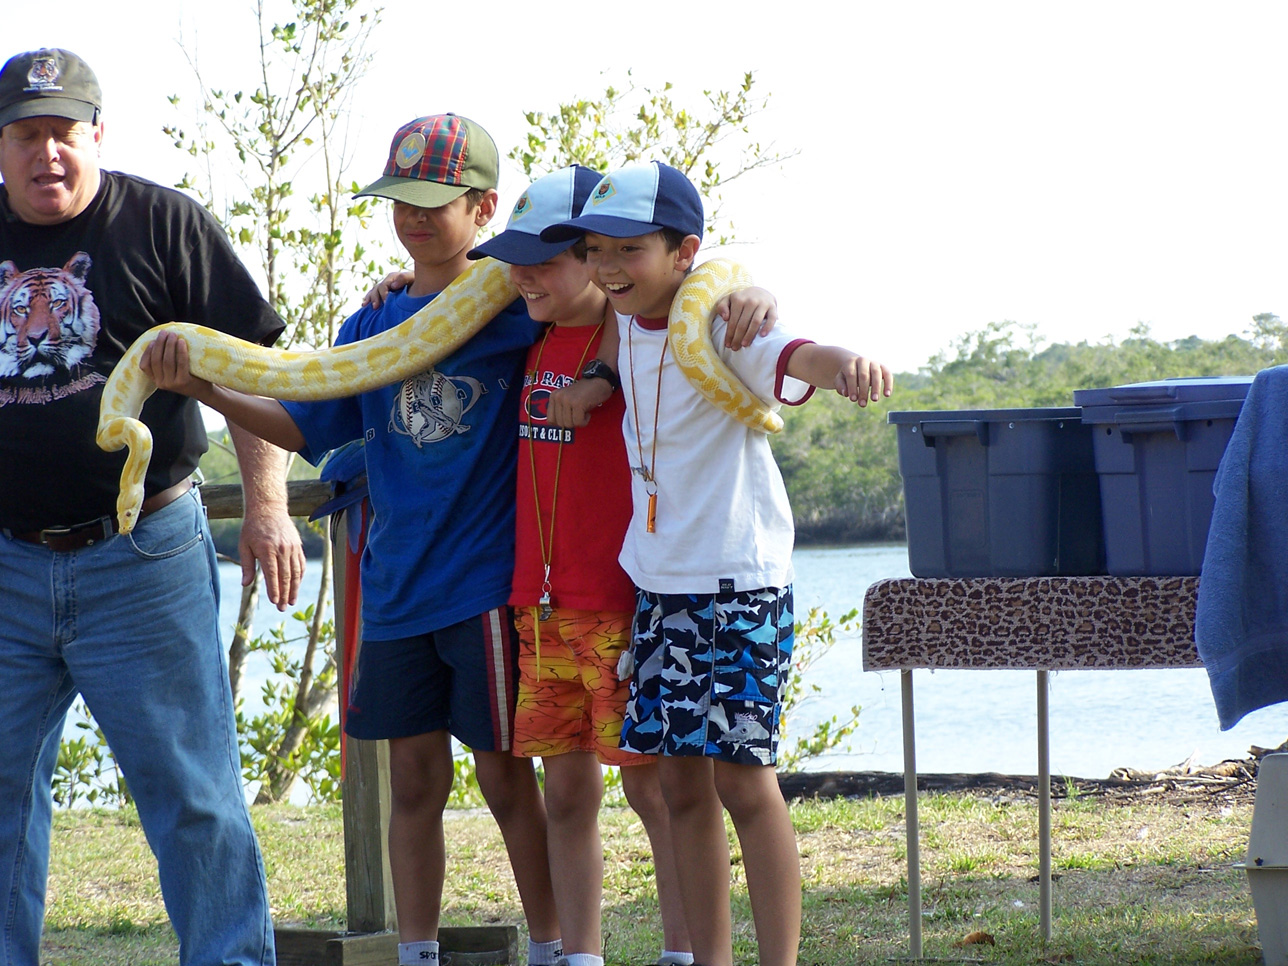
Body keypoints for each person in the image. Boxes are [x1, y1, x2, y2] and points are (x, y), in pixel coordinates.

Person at [140, 113, 564, 966]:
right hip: (398, 585)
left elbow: (603, 295)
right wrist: (208, 386)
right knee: (412, 781)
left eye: (431, 203)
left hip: (484, 582)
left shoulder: (518, 306)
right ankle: (416, 952)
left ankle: (559, 945)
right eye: (398, 201)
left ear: (484, 208)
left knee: (505, 775)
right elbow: (304, 427)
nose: (411, 217)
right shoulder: (368, 326)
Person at [540, 160, 894, 966]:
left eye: (628, 250)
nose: (606, 268)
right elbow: (558, 301)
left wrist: (847, 367)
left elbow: (794, 352)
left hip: (740, 585)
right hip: (661, 586)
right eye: (596, 250)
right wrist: (595, 382)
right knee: (678, 786)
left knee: (742, 781)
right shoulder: (625, 316)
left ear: (685, 252)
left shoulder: (719, 321)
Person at [0, 47, 303, 966]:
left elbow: (252, 367)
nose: (47, 152)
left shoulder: (166, 225)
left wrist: (265, 508)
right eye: (26, 133)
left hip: (146, 555)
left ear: (97, 134)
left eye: (64, 131)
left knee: (194, 796)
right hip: (6, 563)